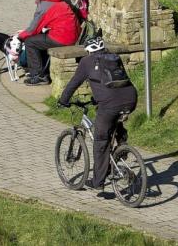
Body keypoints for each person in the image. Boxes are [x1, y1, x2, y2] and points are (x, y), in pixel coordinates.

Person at [57, 36, 138, 190]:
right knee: (112, 122)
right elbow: (111, 82)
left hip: (110, 104)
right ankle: (122, 145)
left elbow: (74, 83)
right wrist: (97, 98)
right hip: (130, 98)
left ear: (88, 50)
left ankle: (98, 182)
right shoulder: (114, 58)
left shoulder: (86, 62)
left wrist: (63, 100)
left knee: (101, 141)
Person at [18, 0, 80, 86]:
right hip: (71, 34)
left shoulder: (44, 6)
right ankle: (42, 71)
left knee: (30, 42)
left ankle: (38, 76)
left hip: (63, 37)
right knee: (38, 39)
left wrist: (20, 35)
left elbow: (33, 29)